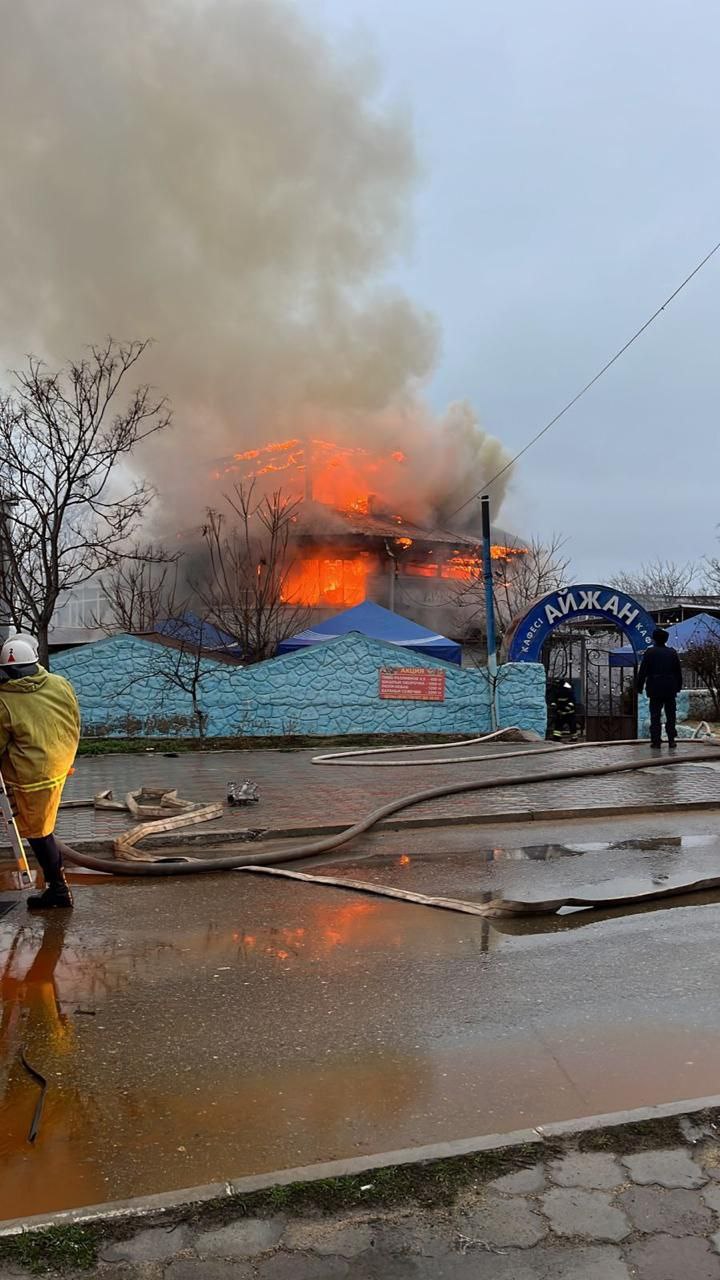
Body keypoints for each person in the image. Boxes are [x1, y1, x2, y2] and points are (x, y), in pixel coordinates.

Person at [0, 634, 81, 909]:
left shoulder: (4, 700)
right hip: (61, 764)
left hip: (32, 777)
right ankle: (56, 886)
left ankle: (59, 890)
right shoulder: (60, 684)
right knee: (42, 826)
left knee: (38, 832)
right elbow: (74, 718)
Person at [637, 627, 683, 750]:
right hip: (669, 688)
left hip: (655, 688)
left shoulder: (650, 653)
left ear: (655, 639)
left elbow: (643, 671)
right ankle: (671, 740)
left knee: (655, 716)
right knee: (671, 715)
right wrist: (678, 686)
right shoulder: (672, 653)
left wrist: (639, 686)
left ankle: (656, 741)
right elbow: (678, 672)